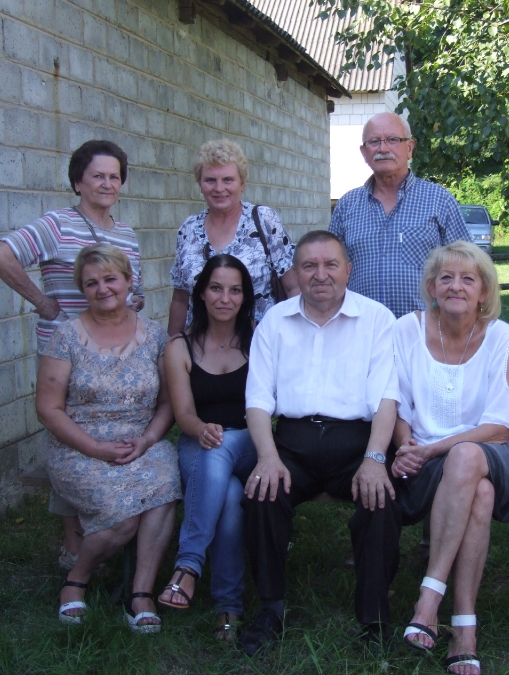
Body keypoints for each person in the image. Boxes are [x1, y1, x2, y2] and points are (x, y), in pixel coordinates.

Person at [238, 230, 402, 655]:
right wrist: (267, 456)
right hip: (293, 444)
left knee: (381, 498)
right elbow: (258, 399)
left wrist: (375, 458)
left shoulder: (378, 319)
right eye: (309, 266)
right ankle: (270, 608)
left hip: (356, 444)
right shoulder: (275, 321)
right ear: (296, 273)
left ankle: (374, 617)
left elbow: (386, 397)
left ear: (349, 270)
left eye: (331, 264)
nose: (320, 274)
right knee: (261, 493)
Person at [0, 139, 144, 572]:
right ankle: (74, 545)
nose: (107, 183)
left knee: (113, 435)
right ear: (78, 182)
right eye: (97, 176)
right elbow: (0, 255)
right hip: (66, 357)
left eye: (114, 176)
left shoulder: (126, 234)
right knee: (70, 439)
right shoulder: (58, 225)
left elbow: (136, 291)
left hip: (114, 358)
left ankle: (113, 519)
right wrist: (43, 302)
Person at [393, 242, 509, 675]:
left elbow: (501, 426)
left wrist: (434, 448)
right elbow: (396, 403)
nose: (456, 286)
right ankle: (465, 627)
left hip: (493, 453)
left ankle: (428, 599)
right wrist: (406, 446)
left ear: (484, 291)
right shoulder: (407, 329)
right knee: (479, 496)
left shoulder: (502, 335)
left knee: (468, 457)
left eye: (468, 279)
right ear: (432, 287)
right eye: (446, 278)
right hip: (425, 460)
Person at [36, 244, 180, 633]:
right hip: (78, 447)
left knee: (165, 481)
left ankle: (141, 592)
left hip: (142, 444)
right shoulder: (65, 336)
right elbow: (48, 408)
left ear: (129, 281)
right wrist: (94, 447)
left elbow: (168, 402)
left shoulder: (155, 336)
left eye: (111, 279)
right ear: (82, 290)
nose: (102, 289)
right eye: (91, 283)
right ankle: (77, 578)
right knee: (123, 517)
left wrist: (148, 440)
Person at [156, 254, 257, 642]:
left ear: (245, 296)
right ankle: (228, 607)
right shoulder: (179, 347)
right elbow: (183, 414)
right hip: (197, 443)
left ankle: (188, 565)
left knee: (222, 448)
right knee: (228, 496)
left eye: (235, 290)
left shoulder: (258, 339)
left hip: (249, 442)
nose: (225, 298)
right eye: (216, 288)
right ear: (201, 293)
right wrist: (201, 429)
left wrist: (219, 435)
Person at [329, 112, 472, 319]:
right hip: (361, 329)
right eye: (374, 142)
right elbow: (332, 269)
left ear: (410, 148)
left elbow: (469, 266)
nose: (383, 148)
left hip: (425, 329)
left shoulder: (439, 200)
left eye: (393, 139)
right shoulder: (346, 205)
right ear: (364, 152)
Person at [168, 138, 299, 334]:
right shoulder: (188, 229)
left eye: (228, 180)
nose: (219, 188)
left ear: (242, 184)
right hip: (199, 343)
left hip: (259, 342)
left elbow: (293, 288)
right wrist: (172, 344)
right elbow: (180, 299)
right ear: (200, 184)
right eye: (210, 180)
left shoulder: (264, 220)